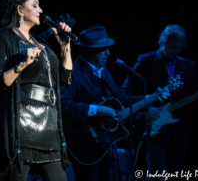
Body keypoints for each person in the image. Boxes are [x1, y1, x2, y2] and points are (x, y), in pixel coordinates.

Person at [60, 26, 170, 181]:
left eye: (108, 49)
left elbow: (120, 100)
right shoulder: (72, 71)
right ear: (88, 51)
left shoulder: (104, 72)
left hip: (107, 143)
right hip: (84, 143)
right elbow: (64, 105)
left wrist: (151, 97)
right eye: (102, 49)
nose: (108, 53)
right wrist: (97, 109)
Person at [0, 0, 72, 181]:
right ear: (19, 10)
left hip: (49, 125)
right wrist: (22, 65)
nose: (41, 10)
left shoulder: (41, 42)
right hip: (21, 125)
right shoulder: (4, 38)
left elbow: (65, 79)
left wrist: (65, 47)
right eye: (35, 5)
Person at [121, 24, 198, 180]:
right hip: (155, 129)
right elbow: (124, 93)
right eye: (172, 47)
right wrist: (143, 112)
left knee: (176, 175)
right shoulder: (146, 61)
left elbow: (192, 100)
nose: (176, 52)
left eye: (179, 48)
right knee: (156, 175)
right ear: (162, 42)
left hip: (180, 131)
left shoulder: (189, 65)